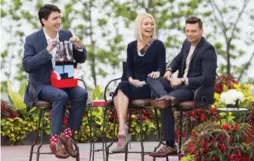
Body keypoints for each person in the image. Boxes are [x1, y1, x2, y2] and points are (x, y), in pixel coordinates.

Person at [23, 4, 88, 159]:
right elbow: (27, 65)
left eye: (59, 17)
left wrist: (79, 48)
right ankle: (54, 140)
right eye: (55, 18)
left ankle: (67, 134)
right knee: (60, 96)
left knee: (81, 94)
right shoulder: (32, 39)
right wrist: (47, 51)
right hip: (42, 85)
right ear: (44, 21)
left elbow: (81, 59)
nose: (59, 21)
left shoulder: (66, 34)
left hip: (65, 82)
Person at [148, 16, 217, 157]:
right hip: (177, 86)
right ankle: (164, 96)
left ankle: (169, 145)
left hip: (193, 89)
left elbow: (208, 78)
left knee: (165, 103)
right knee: (151, 78)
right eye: (187, 31)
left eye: (193, 31)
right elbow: (177, 59)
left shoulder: (208, 50)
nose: (189, 34)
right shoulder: (186, 43)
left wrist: (183, 80)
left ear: (201, 30)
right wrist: (169, 70)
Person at [111, 13, 166, 152]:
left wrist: (158, 73)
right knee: (123, 85)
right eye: (146, 24)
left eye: (152, 24)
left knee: (120, 90)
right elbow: (129, 68)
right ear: (139, 26)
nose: (150, 27)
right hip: (133, 84)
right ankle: (122, 128)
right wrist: (131, 79)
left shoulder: (158, 45)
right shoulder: (131, 46)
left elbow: (162, 67)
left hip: (149, 86)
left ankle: (122, 133)